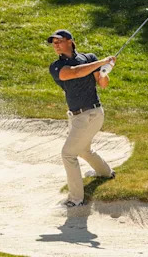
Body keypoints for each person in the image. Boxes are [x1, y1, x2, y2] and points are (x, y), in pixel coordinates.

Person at [47, 28, 116, 208]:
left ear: (70, 41)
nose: (56, 45)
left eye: (59, 41)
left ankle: (75, 199)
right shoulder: (56, 66)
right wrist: (103, 61)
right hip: (76, 116)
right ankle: (106, 173)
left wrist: (105, 71)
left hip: (92, 114)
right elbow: (75, 72)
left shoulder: (89, 58)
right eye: (53, 43)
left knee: (68, 154)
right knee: (84, 150)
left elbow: (103, 84)